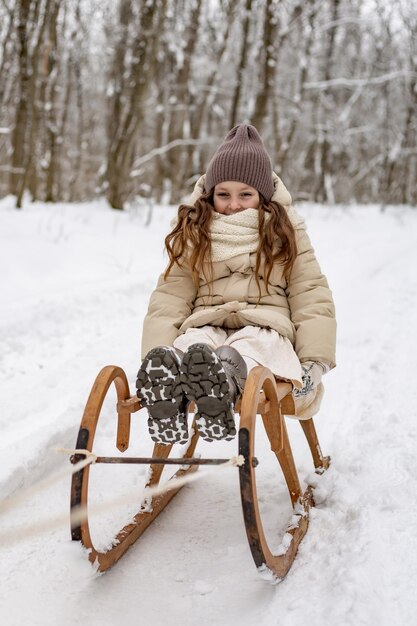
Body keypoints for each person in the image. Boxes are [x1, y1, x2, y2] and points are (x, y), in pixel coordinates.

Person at [136, 124, 336, 445]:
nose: (233, 204)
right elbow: (171, 295)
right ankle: (169, 387)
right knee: (193, 347)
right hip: (208, 324)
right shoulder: (196, 232)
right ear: (210, 195)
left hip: (264, 328)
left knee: (251, 350)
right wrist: (155, 349)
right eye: (223, 194)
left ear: (262, 196)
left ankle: (222, 387)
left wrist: (315, 359)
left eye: (246, 194)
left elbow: (310, 293)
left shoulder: (286, 232)